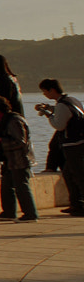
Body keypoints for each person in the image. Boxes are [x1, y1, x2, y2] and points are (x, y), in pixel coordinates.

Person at [0, 96, 37, 221]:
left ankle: (30, 214)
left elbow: (20, 142)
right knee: (6, 186)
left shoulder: (14, 120)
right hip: (10, 160)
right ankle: (9, 213)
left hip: (20, 159)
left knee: (22, 187)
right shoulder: (3, 120)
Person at [37, 79, 84, 216]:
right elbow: (68, 114)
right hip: (79, 142)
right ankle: (76, 204)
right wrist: (51, 108)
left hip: (72, 144)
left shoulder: (62, 105)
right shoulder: (72, 100)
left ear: (51, 90)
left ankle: (80, 205)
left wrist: (48, 115)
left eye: (44, 91)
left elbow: (59, 125)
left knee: (79, 175)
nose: (44, 94)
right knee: (69, 174)